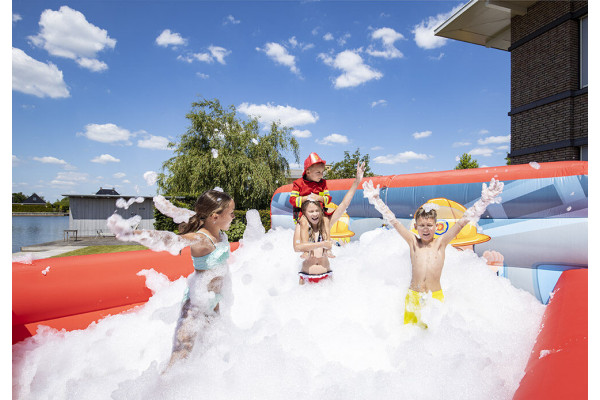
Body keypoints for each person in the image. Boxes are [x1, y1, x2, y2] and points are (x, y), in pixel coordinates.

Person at [107, 189, 236, 368]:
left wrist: (166, 206)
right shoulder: (201, 239)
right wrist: (135, 234)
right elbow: (171, 239)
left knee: (209, 351)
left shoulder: (216, 230)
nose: (234, 217)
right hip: (195, 307)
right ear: (215, 216)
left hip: (213, 304)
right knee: (180, 357)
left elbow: (186, 214)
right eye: (231, 213)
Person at [362, 178, 503, 328]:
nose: (426, 229)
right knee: (409, 335)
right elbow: (394, 221)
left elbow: (463, 221)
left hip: (434, 297)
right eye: (422, 225)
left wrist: (484, 201)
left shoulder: (440, 244)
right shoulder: (413, 242)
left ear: (436, 226)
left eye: (429, 225)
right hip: (414, 297)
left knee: (434, 337)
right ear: (415, 227)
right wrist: (376, 200)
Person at [293, 162, 365, 284]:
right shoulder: (301, 225)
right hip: (306, 277)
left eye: (317, 211)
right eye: (311, 211)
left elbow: (344, 204)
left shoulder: (326, 223)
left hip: (326, 278)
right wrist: (321, 244)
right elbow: (297, 247)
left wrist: (357, 181)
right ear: (305, 213)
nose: (315, 214)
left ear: (322, 212)